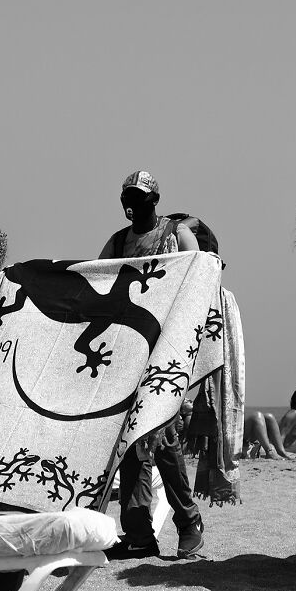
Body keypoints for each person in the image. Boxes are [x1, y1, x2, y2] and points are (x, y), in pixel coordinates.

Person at [99, 170, 204, 559]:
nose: (132, 202)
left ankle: (189, 520)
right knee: (130, 445)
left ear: (154, 199)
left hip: (167, 349)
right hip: (127, 349)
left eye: (139, 196)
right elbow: (100, 283)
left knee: (162, 439)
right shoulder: (117, 241)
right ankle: (139, 532)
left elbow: (200, 278)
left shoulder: (177, 233)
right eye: (127, 195)